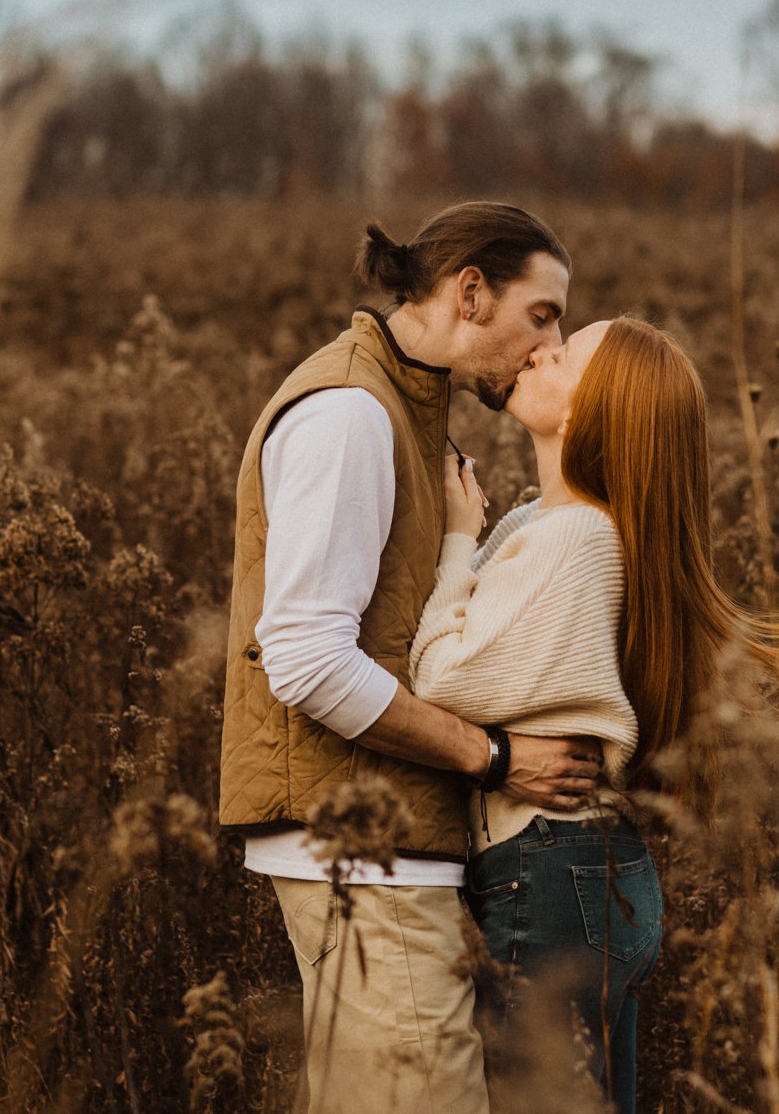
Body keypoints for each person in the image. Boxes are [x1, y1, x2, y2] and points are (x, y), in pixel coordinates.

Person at [218, 202, 607, 1114]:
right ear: (471, 292)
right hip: (364, 857)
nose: (546, 342)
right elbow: (307, 657)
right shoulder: (352, 411)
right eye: (540, 313)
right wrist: (494, 755)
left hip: (382, 850)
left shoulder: (403, 413)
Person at [411, 315, 779, 1113]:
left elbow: (440, 680)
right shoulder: (547, 523)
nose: (539, 349)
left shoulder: (577, 537)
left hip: (550, 875)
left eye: (565, 355)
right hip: (587, 874)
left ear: (600, 412)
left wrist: (457, 540)